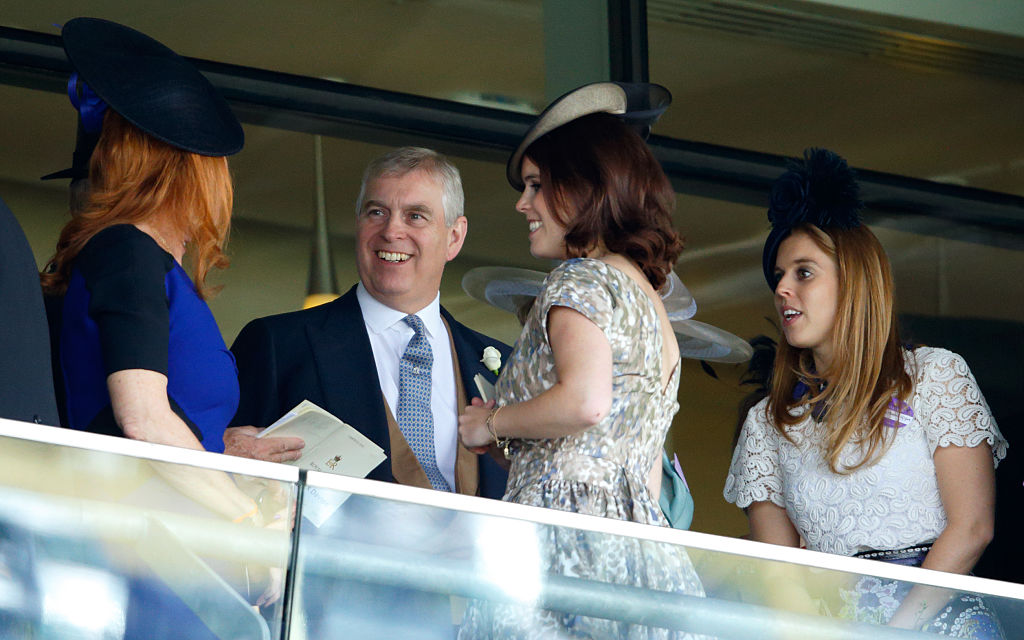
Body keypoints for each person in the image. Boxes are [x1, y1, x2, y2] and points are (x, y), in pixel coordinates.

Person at [40, 19, 285, 627]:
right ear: (194, 173)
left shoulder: (147, 264)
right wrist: (246, 524)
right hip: (150, 550)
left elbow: (155, 416)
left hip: (170, 546)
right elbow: (142, 420)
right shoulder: (125, 251)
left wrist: (225, 448)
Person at [457, 82, 707, 639]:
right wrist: (512, 445)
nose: (523, 204)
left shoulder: (580, 280)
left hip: (561, 546)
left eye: (536, 185)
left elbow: (586, 403)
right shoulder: (650, 302)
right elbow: (623, 457)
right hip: (641, 556)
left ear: (583, 188)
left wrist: (489, 422)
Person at [724, 148, 1008, 638]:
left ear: (854, 282)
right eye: (779, 277)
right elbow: (777, 572)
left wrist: (891, 633)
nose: (782, 289)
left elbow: (972, 528)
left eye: (803, 272)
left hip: (938, 624)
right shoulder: (768, 422)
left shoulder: (935, 376)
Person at [230, 146, 510, 496]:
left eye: (416, 216)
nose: (392, 231)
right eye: (376, 212)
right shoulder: (277, 344)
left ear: (454, 237)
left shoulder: (507, 366)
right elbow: (223, 483)